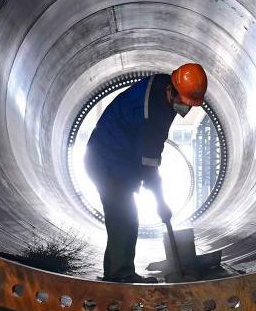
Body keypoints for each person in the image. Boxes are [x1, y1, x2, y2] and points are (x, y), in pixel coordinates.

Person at [85, 63, 207, 283]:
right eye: (183, 102)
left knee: (121, 218)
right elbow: (149, 168)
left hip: (117, 159)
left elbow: (147, 160)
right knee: (125, 217)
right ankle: (120, 276)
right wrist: (160, 203)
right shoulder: (156, 113)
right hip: (107, 161)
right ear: (172, 91)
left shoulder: (162, 84)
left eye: (189, 104)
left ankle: (114, 273)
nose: (185, 108)